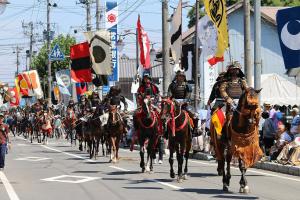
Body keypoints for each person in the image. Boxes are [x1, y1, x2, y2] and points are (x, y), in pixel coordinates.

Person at [219, 61, 248, 138]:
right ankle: (224, 135)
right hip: (229, 103)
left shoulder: (242, 81)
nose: (235, 71)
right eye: (233, 69)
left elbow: (247, 90)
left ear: (239, 70)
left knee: (249, 117)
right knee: (226, 118)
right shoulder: (226, 81)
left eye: (236, 69)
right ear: (230, 71)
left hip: (240, 103)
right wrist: (227, 98)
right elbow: (222, 90)